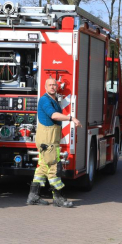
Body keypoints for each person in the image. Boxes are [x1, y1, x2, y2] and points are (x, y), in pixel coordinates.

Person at [27, 77, 81, 207]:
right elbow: (53, 116)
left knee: (42, 168)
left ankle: (33, 196)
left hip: (50, 139)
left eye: (54, 85)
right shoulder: (45, 100)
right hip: (48, 140)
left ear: (57, 87)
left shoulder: (54, 100)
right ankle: (58, 198)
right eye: (50, 85)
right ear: (45, 87)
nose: (52, 87)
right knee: (54, 168)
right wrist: (71, 118)